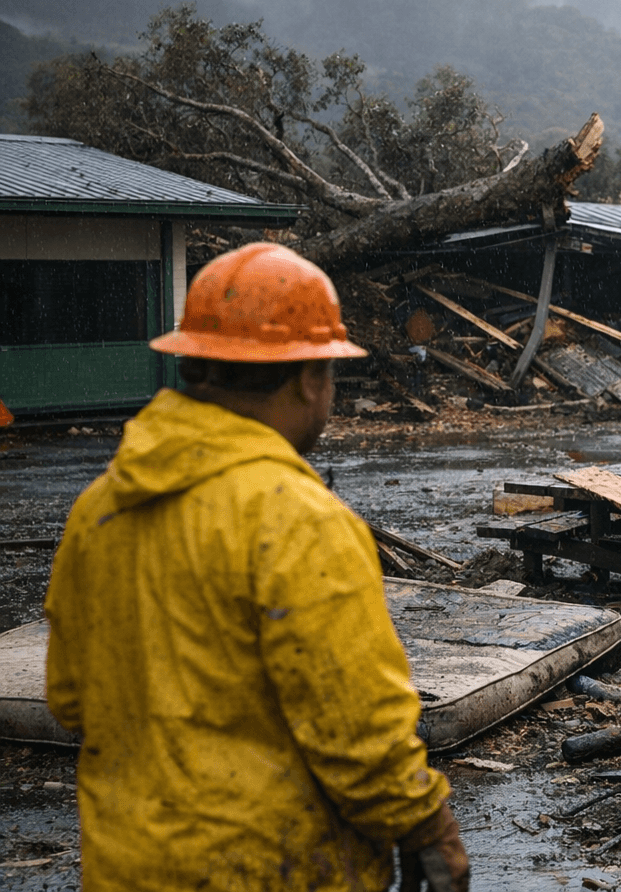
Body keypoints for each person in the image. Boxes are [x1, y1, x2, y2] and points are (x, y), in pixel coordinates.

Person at [45, 243, 469, 892]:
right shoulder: (299, 521)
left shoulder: (98, 509)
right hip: (271, 870)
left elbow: (70, 698)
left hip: (128, 868)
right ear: (308, 379)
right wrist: (425, 825)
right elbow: (357, 731)